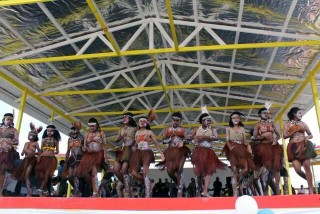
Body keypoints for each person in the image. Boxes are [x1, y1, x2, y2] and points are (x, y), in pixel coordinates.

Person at [190, 111, 226, 197]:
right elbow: (190, 137)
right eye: (206, 120)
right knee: (199, 173)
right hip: (199, 150)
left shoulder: (212, 128)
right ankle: (199, 189)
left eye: (209, 120)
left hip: (209, 151)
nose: (208, 122)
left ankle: (205, 190)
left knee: (209, 171)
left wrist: (204, 137)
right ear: (202, 121)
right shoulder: (196, 129)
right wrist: (194, 138)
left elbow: (217, 137)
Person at [129, 113, 165, 198]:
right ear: (138, 123)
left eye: (143, 121)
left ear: (147, 123)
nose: (141, 122)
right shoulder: (136, 133)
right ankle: (149, 182)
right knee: (133, 173)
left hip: (146, 153)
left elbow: (156, 144)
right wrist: (133, 147)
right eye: (140, 121)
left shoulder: (149, 132)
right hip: (137, 153)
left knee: (145, 172)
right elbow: (135, 144)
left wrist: (162, 155)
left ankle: (147, 194)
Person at [157, 112, 190, 197]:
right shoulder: (167, 129)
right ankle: (179, 183)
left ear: (180, 121)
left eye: (177, 120)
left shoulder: (183, 129)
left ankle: (180, 190)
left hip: (180, 151)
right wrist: (168, 140)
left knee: (179, 169)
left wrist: (183, 141)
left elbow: (188, 139)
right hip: (170, 150)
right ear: (172, 120)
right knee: (169, 171)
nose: (175, 122)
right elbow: (162, 140)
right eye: (174, 120)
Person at [283, 107, 315, 195]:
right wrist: (293, 132)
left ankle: (311, 191)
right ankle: (309, 181)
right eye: (299, 113)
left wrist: (306, 138)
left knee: (307, 167)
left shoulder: (303, 124)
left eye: (301, 113)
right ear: (294, 114)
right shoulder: (287, 124)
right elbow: (284, 136)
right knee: (297, 169)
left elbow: (311, 134)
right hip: (293, 146)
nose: (301, 115)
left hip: (303, 145)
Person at [223, 111, 255, 197]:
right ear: (231, 119)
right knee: (234, 171)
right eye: (233, 118)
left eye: (237, 118)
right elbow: (227, 140)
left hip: (241, 147)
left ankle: (238, 179)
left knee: (246, 169)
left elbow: (244, 140)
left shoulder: (242, 128)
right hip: (232, 148)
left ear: (239, 119)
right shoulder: (228, 128)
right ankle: (235, 192)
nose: (235, 119)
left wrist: (248, 145)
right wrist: (230, 148)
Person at [253, 107, 282, 195]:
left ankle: (277, 191)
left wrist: (275, 140)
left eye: (267, 113)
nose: (266, 114)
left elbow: (278, 135)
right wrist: (263, 137)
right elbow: (254, 137)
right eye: (264, 113)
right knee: (266, 168)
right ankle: (265, 189)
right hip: (263, 147)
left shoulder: (272, 123)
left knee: (276, 168)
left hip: (273, 146)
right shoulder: (258, 125)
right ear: (260, 115)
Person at [76, 118, 107, 197]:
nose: (91, 128)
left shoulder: (101, 133)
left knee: (94, 172)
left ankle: (95, 192)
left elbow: (104, 145)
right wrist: (85, 148)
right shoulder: (87, 134)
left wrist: (105, 155)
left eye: (93, 126)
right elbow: (84, 146)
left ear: (96, 125)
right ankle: (95, 189)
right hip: (88, 155)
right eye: (90, 126)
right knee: (84, 174)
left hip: (98, 154)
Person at [13, 123, 41, 196]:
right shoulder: (26, 143)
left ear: (34, 136)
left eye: (31, 135)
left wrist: (38, 157)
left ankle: (29, 192)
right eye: (29, 134)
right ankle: (31, 188)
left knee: (26, 176)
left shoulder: (36, 143)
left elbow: (39, 151)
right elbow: (22, 153)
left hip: (32, 160)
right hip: (25, 160)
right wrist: (24, 149)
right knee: (23, 176)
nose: (30, 136)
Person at [114, 112, 137, 198]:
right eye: (123, 117)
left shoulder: (135, 128)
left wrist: (134, 145)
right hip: (122, 149)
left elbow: (138, 138)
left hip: (130, 149)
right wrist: (121, 136)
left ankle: (127, 189)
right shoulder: (121, 129)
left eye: (125, 117)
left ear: (130, 118)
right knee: (115, 170)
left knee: (123, 170)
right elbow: (116, 140)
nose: (123, 119)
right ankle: (127, 185)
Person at [35, 124, 60, 196]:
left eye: (51, 131)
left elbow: (58, 150)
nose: (49, 132)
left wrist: (54, 151)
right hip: (43, 158)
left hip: (51, 159)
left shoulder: (55, 140)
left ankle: (40, 189)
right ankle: (45, 190)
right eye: (48, 131)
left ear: (54, 132)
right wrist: (38, 157)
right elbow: (40, 150)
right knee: (42, 175)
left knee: (47, 175)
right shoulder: (43, 140)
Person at [0, 113, 19, 197]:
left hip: (8, 151)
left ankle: (1, 192)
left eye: (11, 120)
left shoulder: (14, 130)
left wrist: (7, 141)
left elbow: (17, 141)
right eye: (8, 119)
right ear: (3, 119)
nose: (9, 121)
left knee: (3, 171)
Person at [65, 122, 83, 196]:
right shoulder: (69, 139)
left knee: (75, 175)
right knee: (69, 177)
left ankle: (77, 190)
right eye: (72, 130)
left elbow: (84, 149)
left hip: (79, 158)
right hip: (72, 158)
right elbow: (68, 151)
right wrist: (66, 161)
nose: (73, 131)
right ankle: (76, 189)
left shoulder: (81, 138)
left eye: (75, 130)